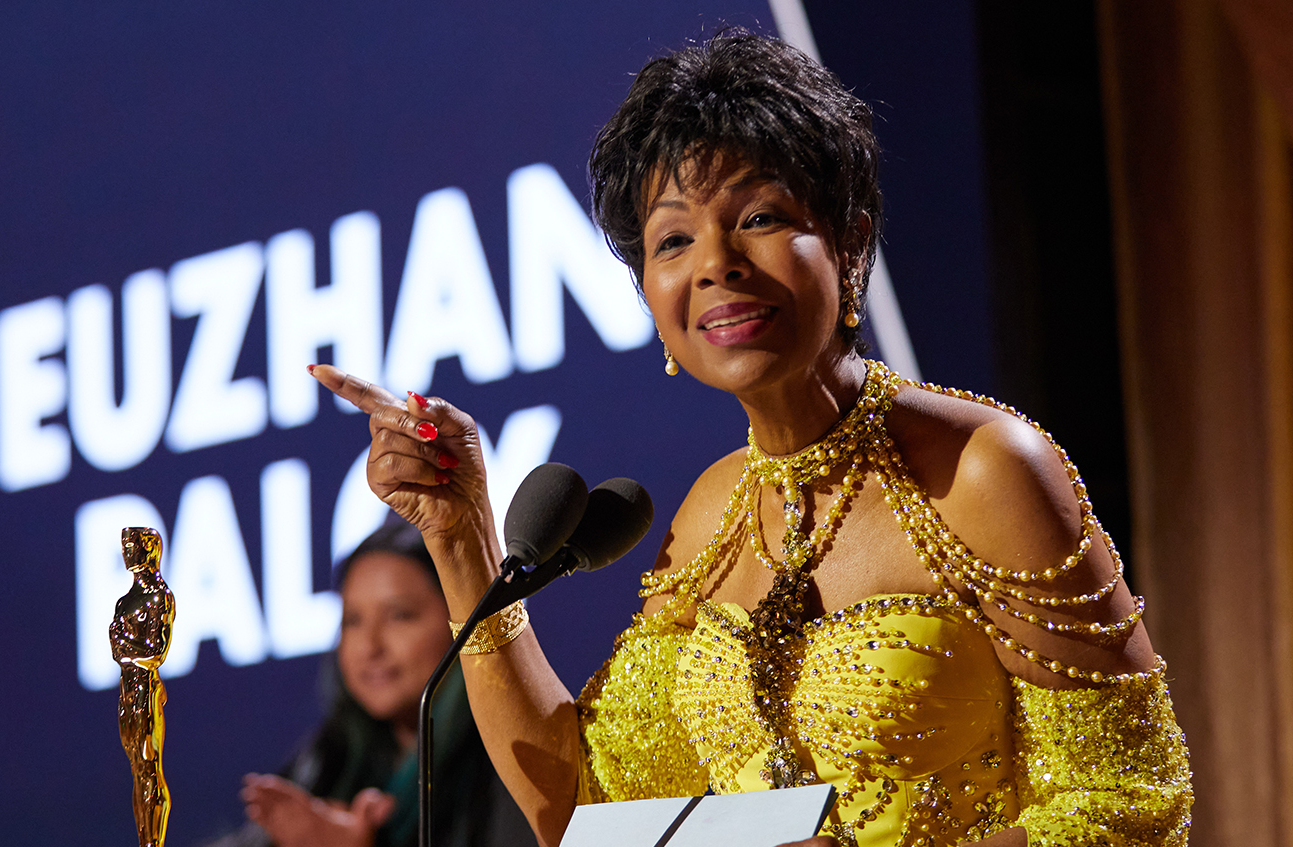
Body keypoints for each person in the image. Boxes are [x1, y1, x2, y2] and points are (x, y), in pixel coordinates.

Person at [308, 31, 1191, 847]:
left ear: (849, 243)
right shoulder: (711, 513)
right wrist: (461, 534)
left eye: (760, 218)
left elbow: (1131, 801)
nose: (715, 264)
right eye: (673, 239)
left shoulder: (983, 469)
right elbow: (584, 809)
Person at [206, 520, 536, 847]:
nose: (369, 646)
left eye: (400, 616)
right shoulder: (324, 761)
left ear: (461, 620)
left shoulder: (514, 763)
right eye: (353, 621)